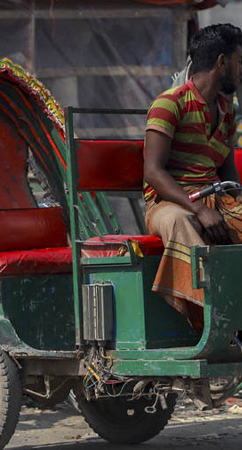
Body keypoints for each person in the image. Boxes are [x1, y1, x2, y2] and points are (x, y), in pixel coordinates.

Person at [143, 23, 242, 330]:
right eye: (239, 61)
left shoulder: (227, 110)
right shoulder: (169, 103)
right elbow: (153, 172)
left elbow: (228, 171)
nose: (241, 70)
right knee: (180, 222)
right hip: (168, 203)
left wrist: (237, 203)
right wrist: (198, 208)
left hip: (214, 200)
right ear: (222, 62)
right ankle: (210, 318)